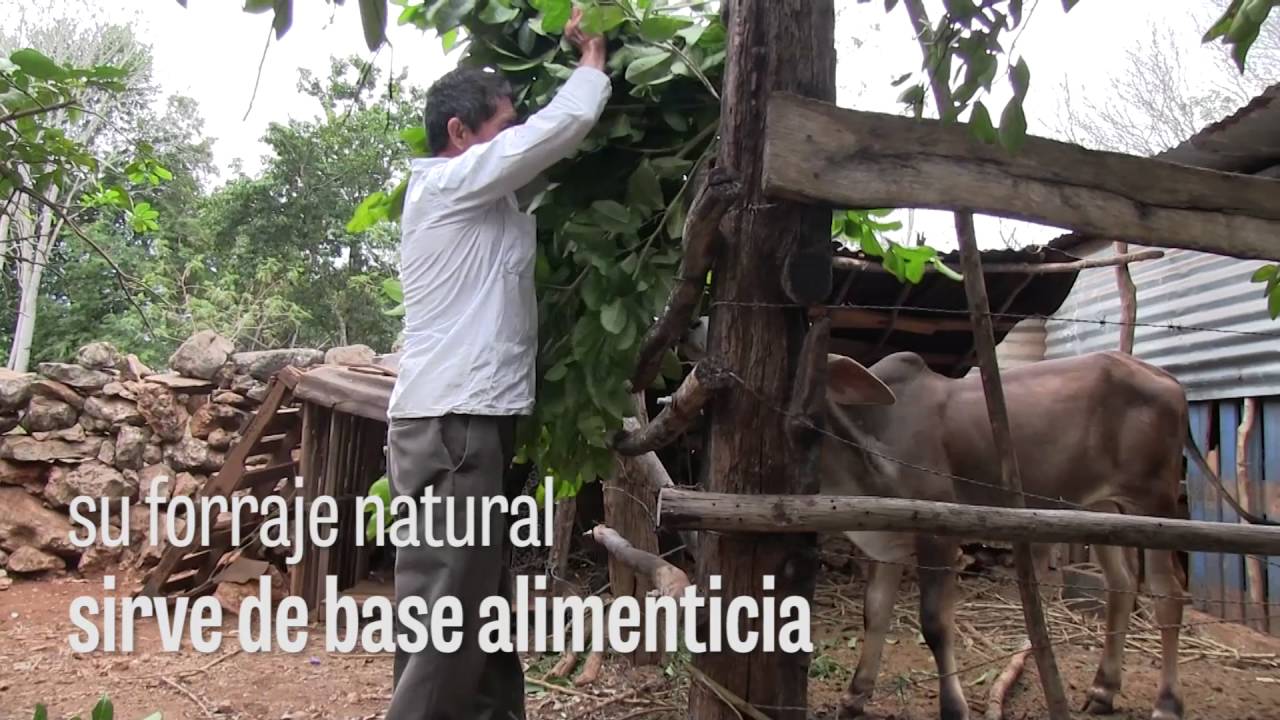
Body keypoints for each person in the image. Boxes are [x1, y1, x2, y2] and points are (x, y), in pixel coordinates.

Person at [383, 9, 610, 720]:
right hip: (454, 426)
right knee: (450, 616)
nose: (514, 137)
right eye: (503, 124)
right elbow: (554, 133)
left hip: (463, 423)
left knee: (473, 609)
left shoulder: (481, 202)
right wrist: (592, 63)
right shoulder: (450, 186)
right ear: (460, 133)